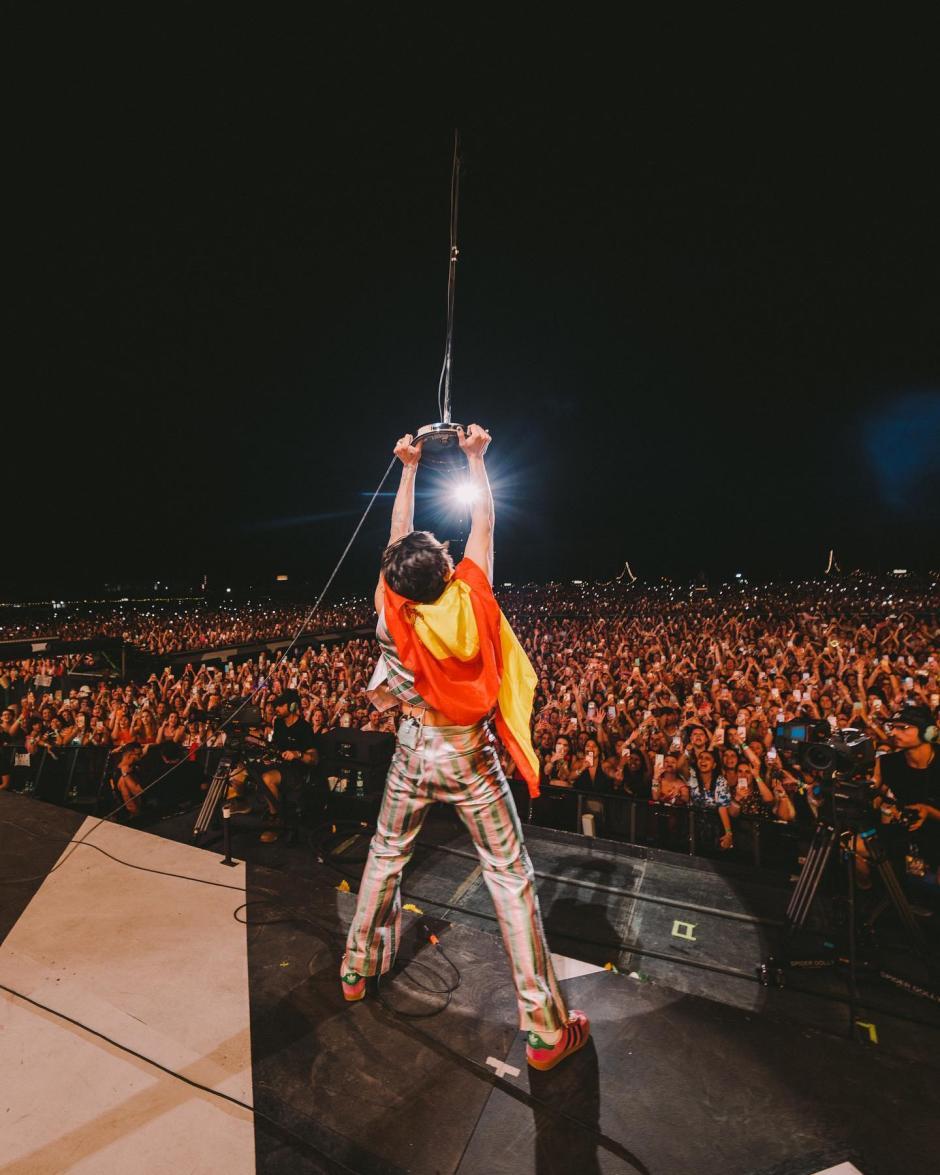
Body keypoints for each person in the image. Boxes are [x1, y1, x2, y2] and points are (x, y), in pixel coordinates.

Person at [342, 425, 589, 1071]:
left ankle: (356, 969)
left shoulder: (389, 607)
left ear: (395, 579)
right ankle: (542, 1030)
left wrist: (408, 468)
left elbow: (396, 539)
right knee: (510, 879)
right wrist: (478, 458)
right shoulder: (473, 594)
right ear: (448, 568)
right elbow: (486, 516)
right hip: (471, 755)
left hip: (412, 749)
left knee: (386, 854)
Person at [259, 689, 319, 843]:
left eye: (280, 705)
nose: (276, 709)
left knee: (267, 779)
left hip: (297, 773)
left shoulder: (304, 728)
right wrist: (269, 756)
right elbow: (276, 747)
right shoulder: (278, 723)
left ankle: (276, 821)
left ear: (292, 707)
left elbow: (314, 759)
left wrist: (297, 754)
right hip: (280, 766)